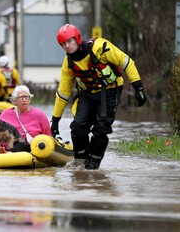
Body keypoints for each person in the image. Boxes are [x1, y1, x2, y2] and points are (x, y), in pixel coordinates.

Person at [50, 24, 147, 170]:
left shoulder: (100, 47)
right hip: (87, 94)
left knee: (101, 129)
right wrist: (55, 121)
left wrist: (138, 87)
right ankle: (80, 161)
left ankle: (93, 164)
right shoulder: (68, 64)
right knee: (78, 128)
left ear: (77, 39)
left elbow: (126, 62)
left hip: (110, 90)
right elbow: (63, 93)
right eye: (63, 44)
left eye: (69, 41)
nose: (67, 46)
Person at [0, 85, 51, 153]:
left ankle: (6, 153)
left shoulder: (39, 115)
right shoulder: (5, 114)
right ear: (15, 100)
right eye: (21, 97)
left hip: (27, 147)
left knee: (21, 145)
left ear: (29, 99)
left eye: (26, 97)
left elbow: (48, 136)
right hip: (5, 146)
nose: (24, 100)